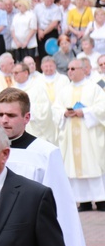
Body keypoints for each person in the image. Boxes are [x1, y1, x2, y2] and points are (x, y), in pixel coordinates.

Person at [0, 88, 90, 246]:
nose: (4, 120)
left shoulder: (45, 153)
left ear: (27, 118)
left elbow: (61, 208)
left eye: (11, 115)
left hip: (27, 239)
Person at [52, 58, 105, 212]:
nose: (70, 71)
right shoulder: (64, 90)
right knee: (74, 168)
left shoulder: (95, 87)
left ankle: (101, 200)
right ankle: (83, 201)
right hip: (71, 134)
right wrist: (64, 113)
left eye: (73, 69)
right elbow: (55, 108)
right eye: (68, 69)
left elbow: (102, 106)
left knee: (92, 164)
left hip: (89, 135)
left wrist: (85, 112)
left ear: (83, 69)